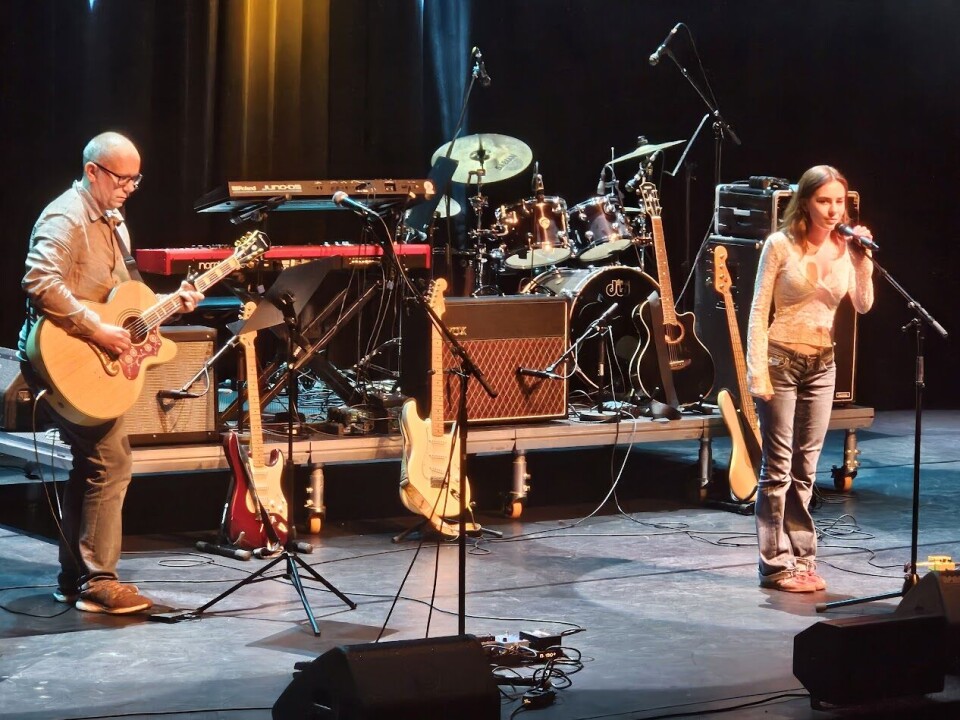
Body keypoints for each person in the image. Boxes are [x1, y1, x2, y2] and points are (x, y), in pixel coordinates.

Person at [18, 131, 204, 614]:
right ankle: (98, 581)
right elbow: (39, 281)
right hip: (58, 357)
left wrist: (171, 303)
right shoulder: (66, 216)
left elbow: (123, 299)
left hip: (89, 356)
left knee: (95, 463)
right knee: (110, 461)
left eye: (135, 180)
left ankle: (75, 579)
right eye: (121, 179)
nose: (129, 188)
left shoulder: (115, 223)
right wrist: (97, 330)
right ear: (92, 171)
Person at [746, 165, 875, 593]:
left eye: (839, 201)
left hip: (823, 363)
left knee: (806, 468)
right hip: (780, 359)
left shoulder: (845, 248)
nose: (833, 210)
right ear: (805, 202)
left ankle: (803, 559)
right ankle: (774, 566)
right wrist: (756, 372)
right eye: (824, 201)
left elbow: (863, 304)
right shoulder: (780, 245)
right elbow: (758, 310)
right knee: (777, 468)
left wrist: (863, 261)